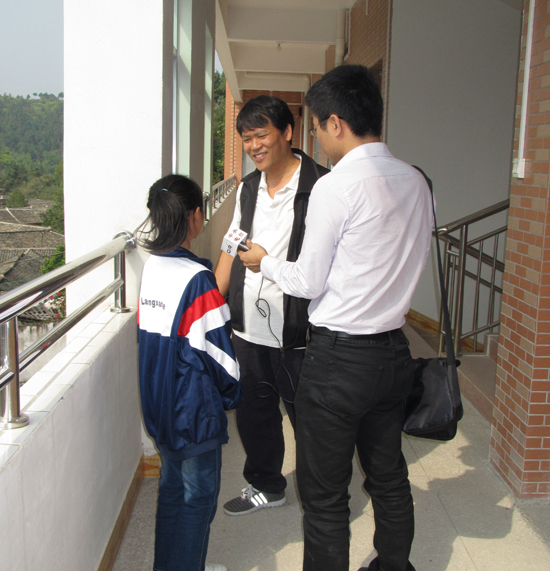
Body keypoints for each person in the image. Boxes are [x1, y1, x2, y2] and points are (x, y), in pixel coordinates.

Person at [239, 65, 433, 571]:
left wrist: (265, 263)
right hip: (393, 351)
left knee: (324, 496)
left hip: (338, 359)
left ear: (336, 123)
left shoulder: (336, 186)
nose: (319, 141)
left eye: (318, 128)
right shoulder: (416, 181)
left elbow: (307, 281)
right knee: (388, 476)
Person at [215, 95, 329, 516]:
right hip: (249, 329)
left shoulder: (322, 187)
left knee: (313, 421)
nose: (254, 146)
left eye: (261, 135)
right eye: (247, 139)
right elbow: (230, 247)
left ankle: (323, 498)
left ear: (288, 132)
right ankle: (267, 485)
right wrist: (210, 304)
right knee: (255, 414)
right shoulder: (248, 189)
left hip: (302, 331)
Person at [137, 174, 244, 571]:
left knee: (172, 491)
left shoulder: (153, 268)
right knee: (198, 498)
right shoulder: (196, 280)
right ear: (196, 216)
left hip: (161, 407)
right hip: (194, 413)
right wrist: (231, 396)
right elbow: (220, 357)